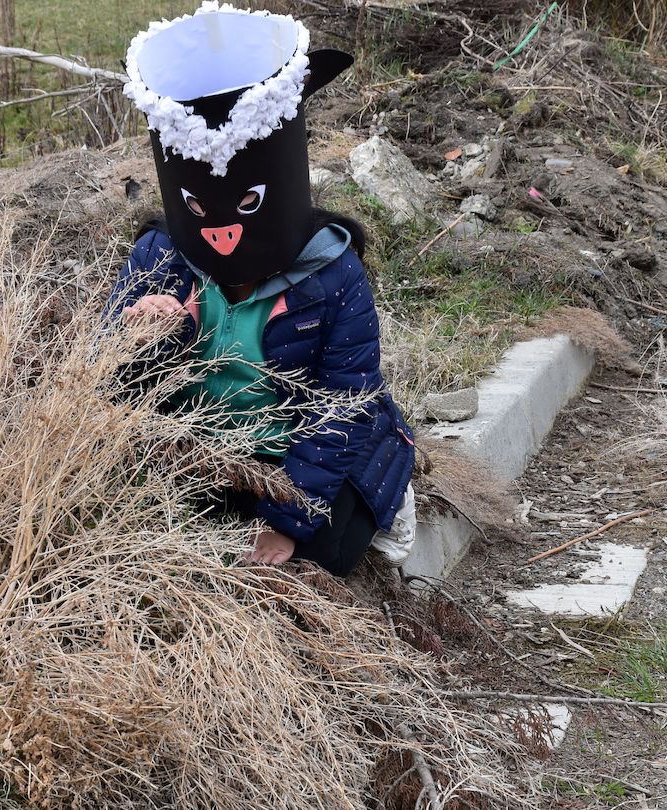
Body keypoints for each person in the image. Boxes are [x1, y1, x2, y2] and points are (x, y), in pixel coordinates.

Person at [110, 2, 414, 576]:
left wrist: (286, 519)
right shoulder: (160, 258)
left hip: (293, 452)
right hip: (200, 453)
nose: (223, 233)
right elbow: (113, 389)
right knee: (156, 538)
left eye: (247, 206)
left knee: (323, 552)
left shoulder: (332, 274)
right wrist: (146, 339)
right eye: (198, 209)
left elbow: (343, 405)